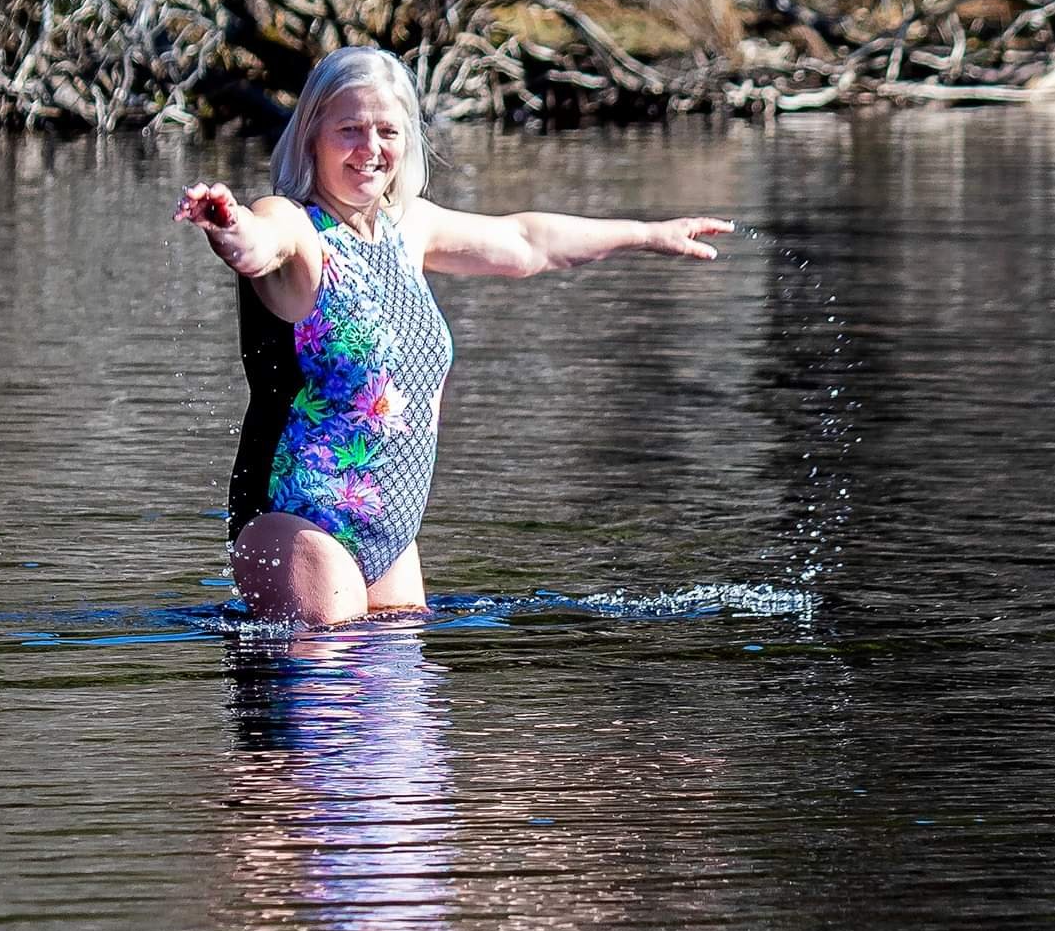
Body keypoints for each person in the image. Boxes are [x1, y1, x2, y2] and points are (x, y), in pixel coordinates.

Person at [176, 45, 731, 627]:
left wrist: (646, 233)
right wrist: (228, 224)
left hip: (389, 530)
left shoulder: (407, 225)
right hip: (296, 517)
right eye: (349, 130)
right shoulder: (294, 222)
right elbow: (257, 246)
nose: (370, 150)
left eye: (386, 130)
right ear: (311, 134)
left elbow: (526, 243)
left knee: (399, 702)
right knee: (332, 693)